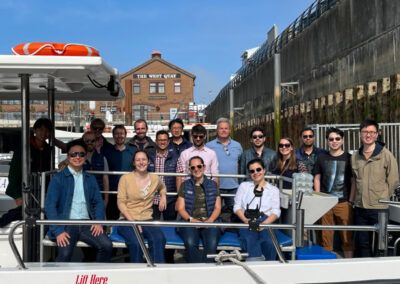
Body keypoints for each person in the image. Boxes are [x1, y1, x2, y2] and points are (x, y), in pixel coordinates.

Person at [44, 140, 112, 262]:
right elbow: (50, 206)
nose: (77, 157)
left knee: (106, 246)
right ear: (68, 157)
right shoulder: (58, 179)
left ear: (85, 157)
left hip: (87, 225)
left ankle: (97, 278)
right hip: (66, 225)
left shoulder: (90, 178)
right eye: (73, 154)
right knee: (65, 254)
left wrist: (98, 222)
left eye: (81, 154)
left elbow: (98, 202)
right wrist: (58, 231)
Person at [351, 119, 399, 257]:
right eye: (365, 132)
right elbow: (355, 179)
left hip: (379, 208)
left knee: (380, 243)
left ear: (377, 135)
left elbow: (393, 180)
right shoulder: (355, 156)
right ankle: (364, 270)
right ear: (360, 134)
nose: (368, 135)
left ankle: (380, 271)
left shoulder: (386, 155)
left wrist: (382, 196)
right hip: (360, 207)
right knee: (362, 243)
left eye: (372, 132)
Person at [1, 118, 53, 227]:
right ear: (35, 130)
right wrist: (17, 195)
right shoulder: (24, 148)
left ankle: (38, 238)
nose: (44, 133)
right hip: (25, 188)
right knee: (23, 212)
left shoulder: (48, 149)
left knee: (40, 213)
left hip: (42, 189)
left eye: (47, 131)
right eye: (41, 129)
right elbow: (14, 172)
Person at [117, 150, 167, 263]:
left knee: (159, 239)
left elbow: (162, 187)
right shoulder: (125, 179)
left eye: (144, 159)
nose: (141, 162)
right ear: (134, 163)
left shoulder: (154, 178)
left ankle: (157, 273)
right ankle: (137, 274)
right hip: (127, 220)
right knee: (136, 243)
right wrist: (133, 222)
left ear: (148, 162)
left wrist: (163, 196)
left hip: (147, 219)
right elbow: (121, 202)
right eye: (138, 160)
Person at [313, 127, 353, 258]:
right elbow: (317, 178)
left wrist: (351, 200)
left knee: (347, 237)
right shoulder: (321, 157)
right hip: (325, 202)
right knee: (326, 237)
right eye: (331, 139)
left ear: (342, 140)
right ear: (327, 141)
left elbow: (354, 181)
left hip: (344, 202)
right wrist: (319, 198)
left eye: (337, 139)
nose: (334, 141)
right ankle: (327, 265)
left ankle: (349, 264)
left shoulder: (350, 158)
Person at [176, 156, 222, 263]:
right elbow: (181, 208)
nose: (196, 169)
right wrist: (191, 219)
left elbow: (217, 207)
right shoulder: (185, 185)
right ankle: (195, 269)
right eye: (193, 167)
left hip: (210, 220)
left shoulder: (213, 185)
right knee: (190, 242)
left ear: (204, 167)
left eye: (199, 166)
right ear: (190, 170)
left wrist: (210, 220)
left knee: (212, 242)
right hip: (190, 221)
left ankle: (207, 270)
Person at [234, 158, 280, 260]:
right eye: (252, 171)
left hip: (266, 220)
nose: (255, 173)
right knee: (250, 239)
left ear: (264, 170)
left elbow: (276, 211)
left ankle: (269, 266)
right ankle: (255, 265)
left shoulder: (273, 190)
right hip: (247, 219)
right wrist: (245, 220)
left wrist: (264, 224)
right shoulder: (244, 186)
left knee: (269, 242)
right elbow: (237, 206)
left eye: (258, 169)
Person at [206, 117, 242, 217]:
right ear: (217, 130)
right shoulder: (209, 146)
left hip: (233, 186)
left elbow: (241, 164)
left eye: (226, 128)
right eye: (221, 128)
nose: (224, 130)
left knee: (236, 213)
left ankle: (234, 231)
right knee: (214, 213)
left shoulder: (237, 146)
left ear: (230, 130)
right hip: (215, 186)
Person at [103, 124, 134, 220]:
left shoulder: (133, 151)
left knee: (127, 218)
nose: (119, 136)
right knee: (112, 218)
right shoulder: (107, 151)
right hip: (112, 191)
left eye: (121, 133)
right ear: (113, 136)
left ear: (125, 135)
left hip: (129, 192)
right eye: (116, 134)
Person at [148, 130, 179, 221]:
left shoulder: (176, 157)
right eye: (160, 140)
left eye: (165, 140)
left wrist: (179, 197)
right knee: (152, 226)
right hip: (152, 198)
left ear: (168, 141)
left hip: (170, 197)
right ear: (156, 141)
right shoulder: (149, 157)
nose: (162, 142)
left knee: (170, 225)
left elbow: (179, 178)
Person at [177, 124, 219, 190]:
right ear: (192, 136)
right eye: (195, 136)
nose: (198, 139)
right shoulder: (184, 154)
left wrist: (215, 193)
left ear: (205, 136)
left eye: (201, 136)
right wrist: (181, 194)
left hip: (207, 187)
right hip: (189, 187)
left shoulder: (211, 153)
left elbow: (215, 175)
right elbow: (182, 176)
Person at [82, 131, 110, 208]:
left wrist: (106, 199)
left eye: (92, 141)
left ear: (96, 142)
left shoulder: (103, 158)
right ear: (83, 142)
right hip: (82, 197)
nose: (89, 143)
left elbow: (105, 179)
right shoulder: (78, 159)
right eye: (87, 141)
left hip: (99, 196)